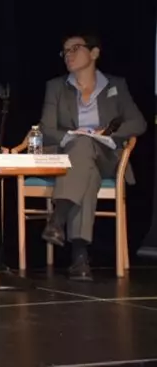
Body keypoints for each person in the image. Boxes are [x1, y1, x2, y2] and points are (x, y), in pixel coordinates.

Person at [39, 33, 146, 281]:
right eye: (65, 51)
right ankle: (79, 256)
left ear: (95, 53)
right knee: (86, 168)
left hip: (107, 155)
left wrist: (106, 133)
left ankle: (59, 217)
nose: (69, 55)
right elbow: (46, 128)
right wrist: (74, 135)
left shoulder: (116, 86)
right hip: (71, 157)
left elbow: (138, 122)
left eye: (75, 49)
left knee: (87, 150)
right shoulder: (56, 87)